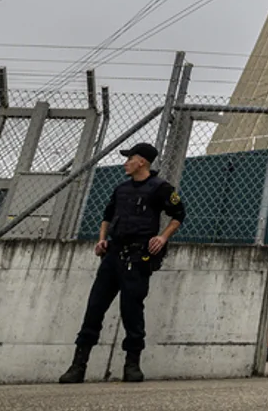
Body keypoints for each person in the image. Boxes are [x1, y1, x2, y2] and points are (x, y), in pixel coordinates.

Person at [59, 142, 186, 384]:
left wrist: (162, 237)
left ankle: (132, 365)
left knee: (132, 310)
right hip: (113, 256)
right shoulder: (121, 189)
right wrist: (101, 240)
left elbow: (179, 214)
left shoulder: (160, 188)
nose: (126, 162)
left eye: (130, 158)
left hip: (138, 258)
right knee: (94, 307)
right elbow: (107, 216)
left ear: (142, 162)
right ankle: (78, 365)